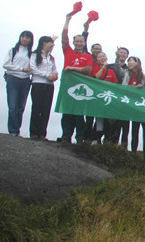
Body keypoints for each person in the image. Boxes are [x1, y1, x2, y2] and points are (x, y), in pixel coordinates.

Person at [58, 13, 93, 144]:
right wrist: (67, 20)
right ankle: (66, 136)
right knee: (66, 113)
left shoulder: (88, 56)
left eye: (81, 41)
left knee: (79, 114)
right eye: (76, 41)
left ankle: (79, 138)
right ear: (73, 43)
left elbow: (87, 70)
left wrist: (72, 68)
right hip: (67, 87)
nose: (78, 43)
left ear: (84, 43)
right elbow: (64, 37)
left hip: (81, 89)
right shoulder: (68, 51)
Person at [3, 30, 34, 136]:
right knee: (13, 105)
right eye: (23, 37)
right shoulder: (13, 50)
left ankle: (17, 129)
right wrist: (21, 69)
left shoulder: (31, 53)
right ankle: (13, 130)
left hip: (25, 80)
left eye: (27, 38)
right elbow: (6, 64)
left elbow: (34, 66)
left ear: (30, 40)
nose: (24, 39)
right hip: (13, 78)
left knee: (21, 106)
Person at [29, 35, 58, 140]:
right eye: (51, 44)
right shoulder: (34, 55)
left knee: (46, 109)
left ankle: (42, 133)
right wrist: (47, 75)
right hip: (38, 83)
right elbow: (33, 69)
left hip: (49, 85)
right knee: (36, 107)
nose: (52, 46)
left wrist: (55, 76)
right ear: (44, 43)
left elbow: (54, 69)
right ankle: (34, 132)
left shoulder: (51, 57)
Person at [90, 51, 119, 144]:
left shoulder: (111, 71)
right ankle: (95, 139)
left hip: (108, 99)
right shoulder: (94, 68)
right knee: (99, 120)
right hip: (98, 98)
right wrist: (102, 67)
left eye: (104, 56)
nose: (102, 58)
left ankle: (107, 140)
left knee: (108, 121)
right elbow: (96, 78)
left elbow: (116, 85)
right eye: (99, 57)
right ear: (96, 59)